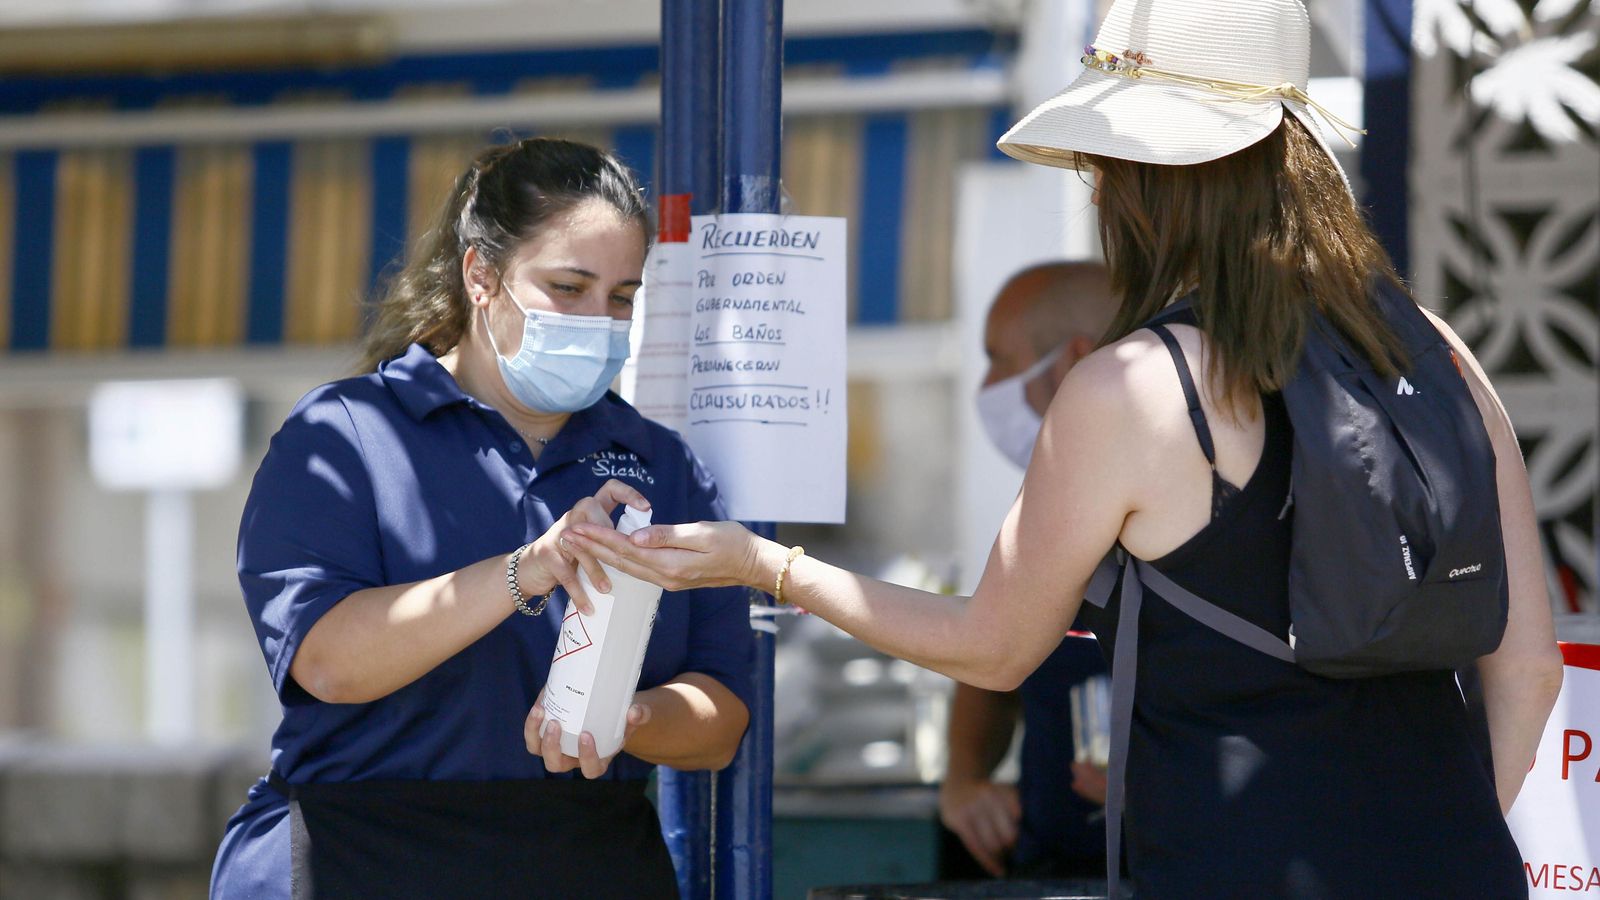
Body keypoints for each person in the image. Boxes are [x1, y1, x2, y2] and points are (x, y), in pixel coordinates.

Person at [564, 1, 1565, 896]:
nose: (1096, 194)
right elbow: (1526, 665)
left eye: (1102, 167)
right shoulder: (1437, 349)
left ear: (1148, 181)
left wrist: (766, 565)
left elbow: (994, 648)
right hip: (1460, 863)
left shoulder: (1135, 386)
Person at [209, 137, 754, 900]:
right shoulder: (349, 435)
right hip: (363, 854)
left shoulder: (658, 461)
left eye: (622, 296)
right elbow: (327, 660)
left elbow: (723, 716)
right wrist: (526, 569)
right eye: (569, 286)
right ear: (481, 277)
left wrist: (620, 715)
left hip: (585, 856)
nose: (599, 321)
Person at [942, 262, 1115, 879]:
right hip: (1048, 869)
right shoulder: (1039, 506)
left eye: (1000, 360)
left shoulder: (1191, 511)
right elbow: (988, 650)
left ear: (1075, 362)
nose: (987, 384)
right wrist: (964, 780)